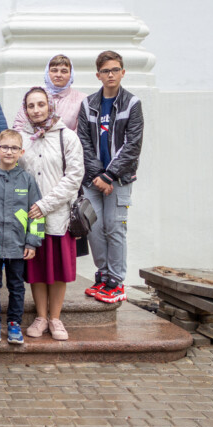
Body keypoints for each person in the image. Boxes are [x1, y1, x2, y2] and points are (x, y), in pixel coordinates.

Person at [77, 51, 143, 305]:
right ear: (98, 75)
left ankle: (116, 281)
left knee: (115, 228)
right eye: (106, 71)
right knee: (94, 229)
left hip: (119, 180)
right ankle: (103, 276)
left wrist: (109, 175)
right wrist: (97, 175)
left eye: (115, 70)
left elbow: (133, 144)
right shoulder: (89, 103)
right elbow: (83, 141)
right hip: (93, 180)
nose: (111, 74)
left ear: (123, 72)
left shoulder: (132, 103)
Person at [18, 87, 84, 340]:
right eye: (31, 106)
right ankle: (40, 317)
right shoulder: (22, 138)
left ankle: (55, 318)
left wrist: (46, 205)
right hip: (31, 216)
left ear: (50, 106)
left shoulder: (66, 137)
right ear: (25, 110)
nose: (36, 110)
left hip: (58, 214)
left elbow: (74, 177)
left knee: (57, 269)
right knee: (36, 268)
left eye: (41, 104)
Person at [0, 129, 44, 346]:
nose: (9, 151)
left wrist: (32, 242)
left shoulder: (27, 180)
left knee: (17, 285)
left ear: (21, 152)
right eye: (5, 147)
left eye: (14, 148)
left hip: (18, 245)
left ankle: (15, 323)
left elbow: (36, 214)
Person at [13, 54, 86, 132]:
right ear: (47, 73)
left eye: (64, 71)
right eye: (54, 70)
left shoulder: (82, 99)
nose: (58, 75)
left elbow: (82, 132)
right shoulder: (35, 96)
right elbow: (19, 126)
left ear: (71, 74)